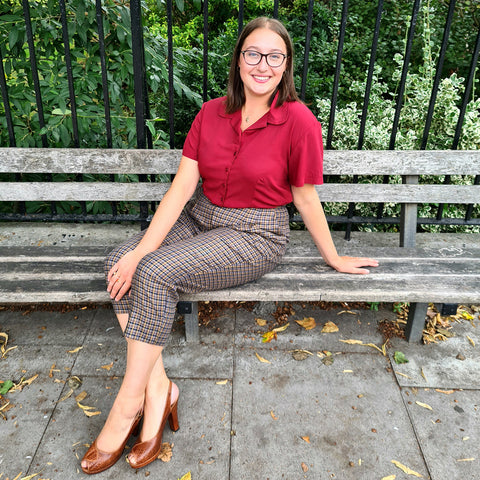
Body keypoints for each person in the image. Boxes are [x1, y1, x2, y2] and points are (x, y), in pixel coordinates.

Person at [80, 16, 378, 474]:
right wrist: (138, 250)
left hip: (253, 234)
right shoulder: (210, 113)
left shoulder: (298, 121)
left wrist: (333, 257)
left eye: (274, 56)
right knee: (122, 260)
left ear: (286, 65)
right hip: (200, 217)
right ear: (239, 61)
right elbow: (181, 189)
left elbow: (304, 195)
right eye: (253, 54)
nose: (263, 64)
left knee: (156, 272)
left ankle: (126, 407)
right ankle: (159, 390)